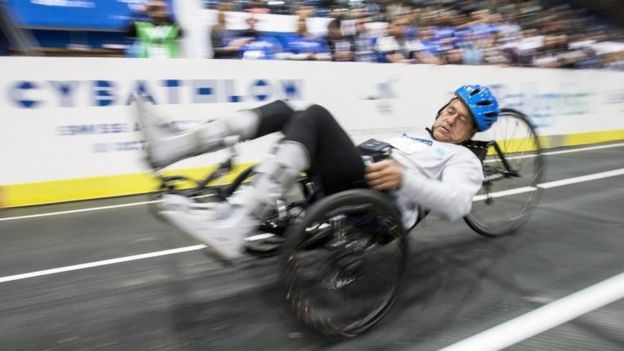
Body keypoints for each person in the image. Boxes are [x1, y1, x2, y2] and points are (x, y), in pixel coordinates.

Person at [133, 85, 500, 261]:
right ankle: (172, 148)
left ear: (471, 133)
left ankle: (239, 220)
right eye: (449, 111)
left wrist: (406, 179)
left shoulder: (462, 159)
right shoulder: (410, 136)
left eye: (462, 120)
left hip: (380, 206)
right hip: (357, 177)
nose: (450, 120)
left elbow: (457, 205)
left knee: (316, 114)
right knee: (285, 110)